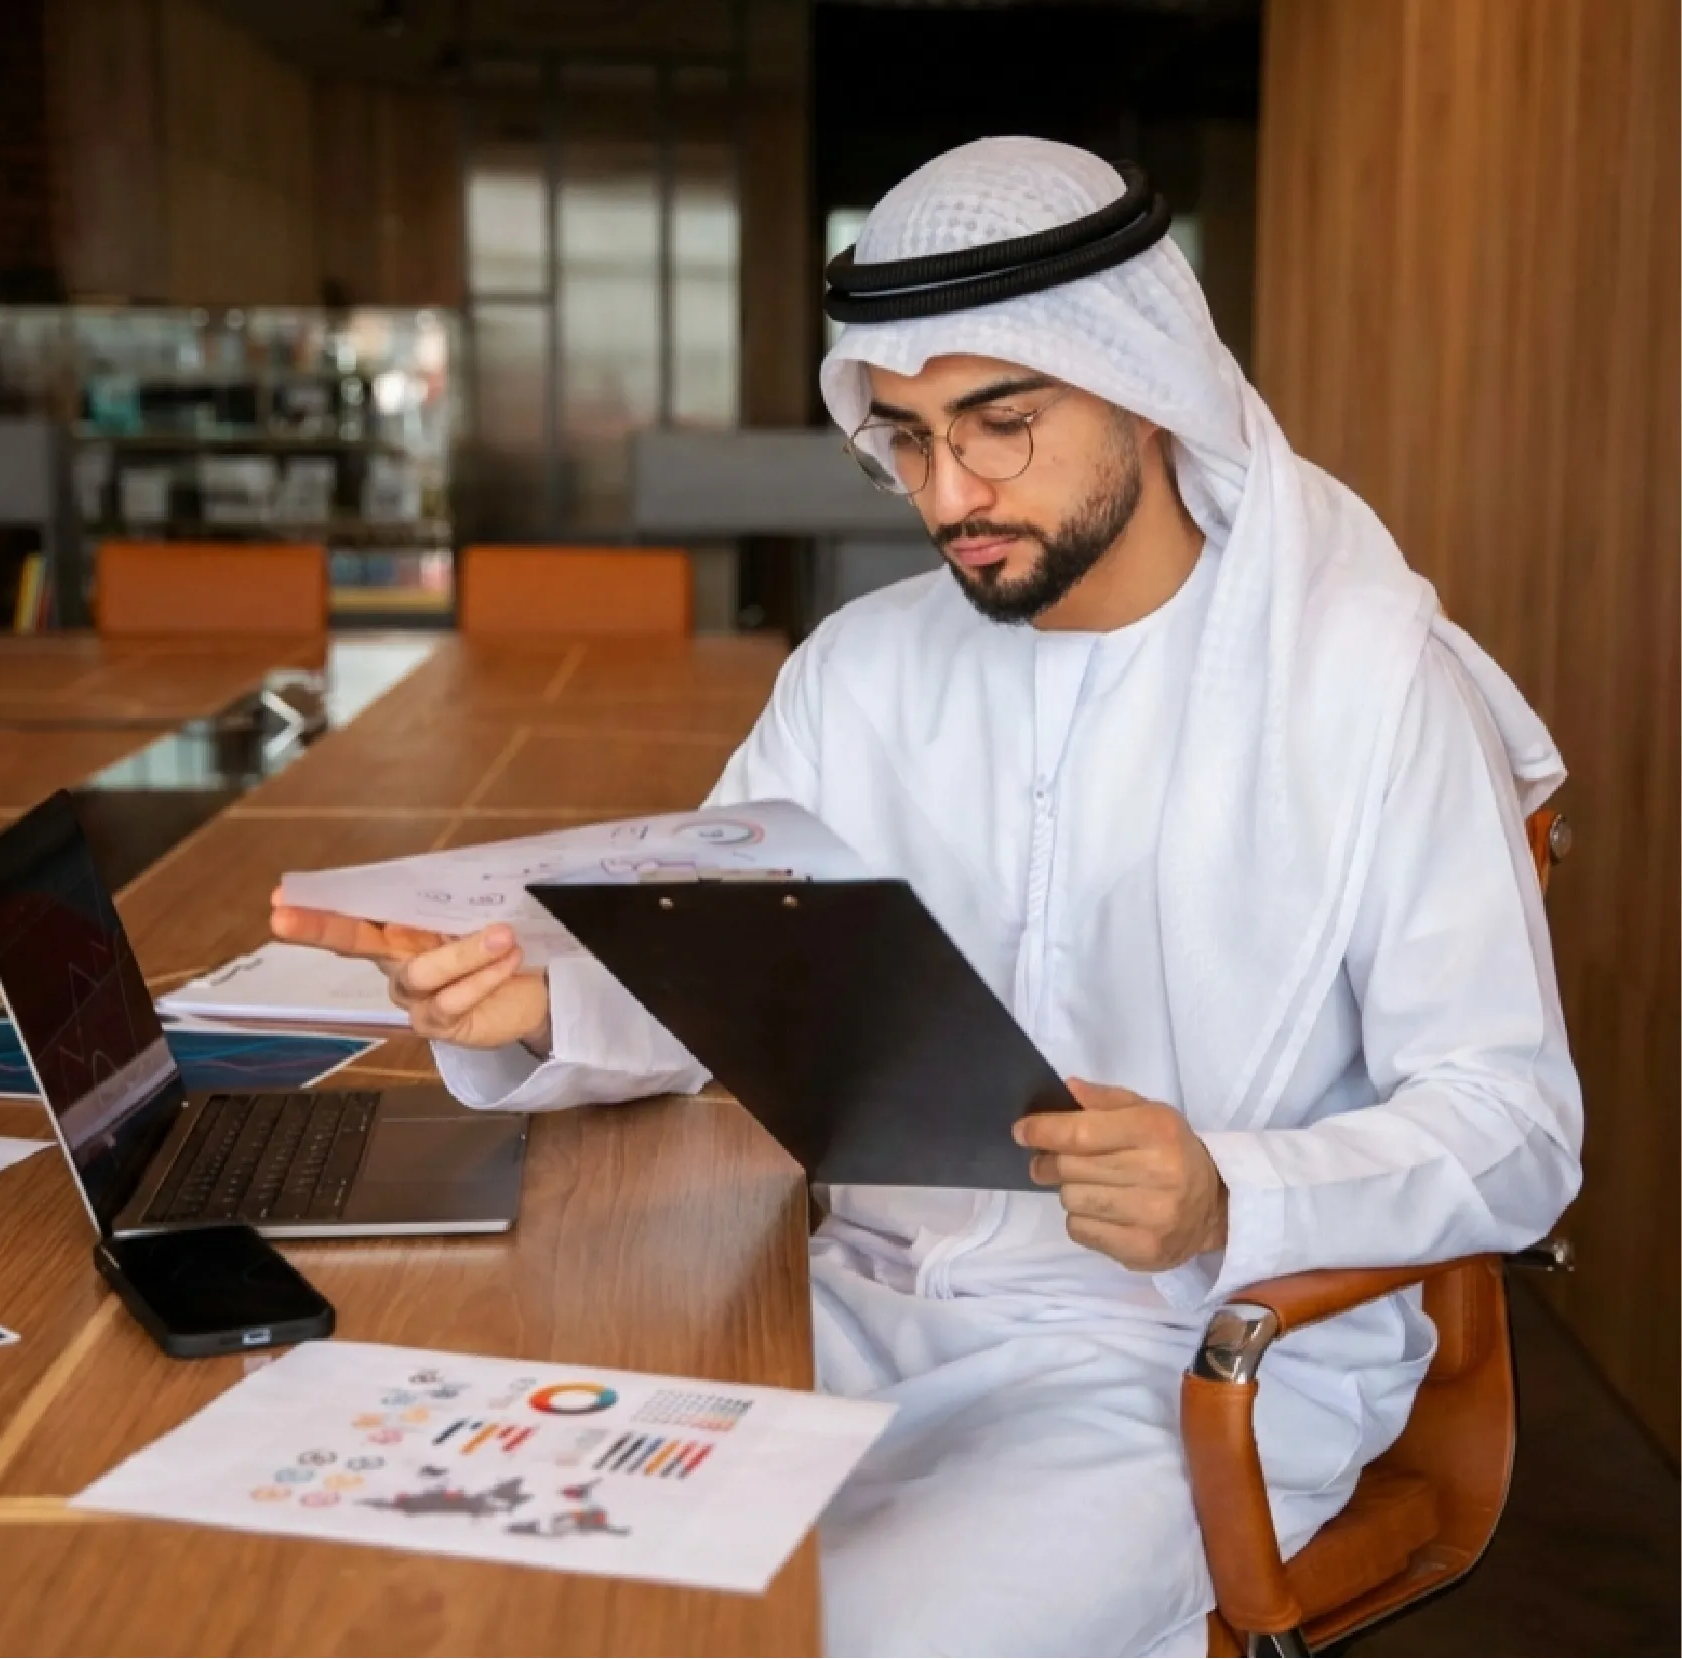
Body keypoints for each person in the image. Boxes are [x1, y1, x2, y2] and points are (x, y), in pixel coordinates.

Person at [271, 139, 1583, 1657]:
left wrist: (1231, 1187)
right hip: (834, 1304)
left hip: (1161, 1362)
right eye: (903, 439)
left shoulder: (1368, 690)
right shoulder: (861, 670)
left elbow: (1516, 1125)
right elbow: (731, 962)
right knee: (491, 1578)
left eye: (1000, 425)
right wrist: (546, 1000)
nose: (949, 493)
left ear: (1145, 387)